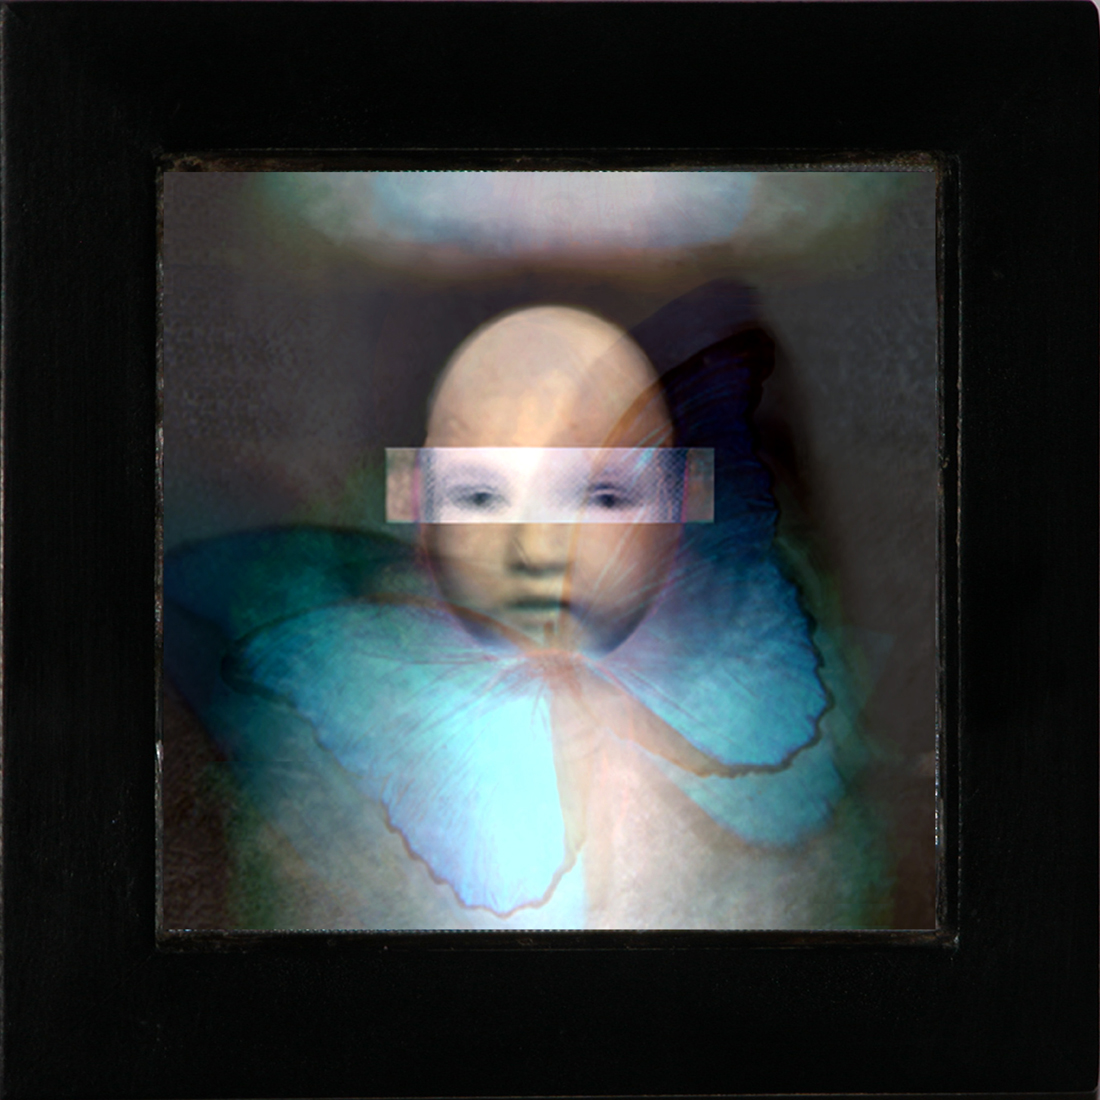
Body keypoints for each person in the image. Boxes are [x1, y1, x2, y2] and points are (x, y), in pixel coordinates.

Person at [163, 297, 888, 930]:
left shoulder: (783, 789)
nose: (538, 549)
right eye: (480, 495)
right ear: (415, 503)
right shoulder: (327, 756)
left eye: (602, 496)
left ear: (683, 500)